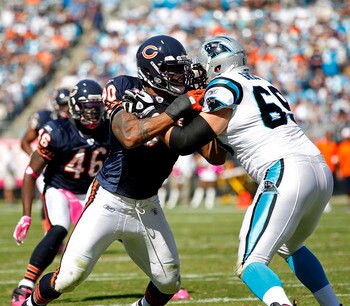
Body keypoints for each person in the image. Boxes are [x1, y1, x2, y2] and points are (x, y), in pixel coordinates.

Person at [22, 35, 226, 306]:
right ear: (152, 71)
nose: (182, 76)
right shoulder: (124, 87)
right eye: (173, 70)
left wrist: (208, 112)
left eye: (182, 69)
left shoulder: (184, 100)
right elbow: (129, 135)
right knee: (68, 278)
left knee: (169, 283)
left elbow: (215, 156)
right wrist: (176, 109)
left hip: (148, 204)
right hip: (109, 199)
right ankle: (29, 303)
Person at [159, 36, 342, 306]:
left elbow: (185, 142)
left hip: (285, 171)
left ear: (218, 66)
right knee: (289, 245)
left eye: (203, 65)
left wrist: (162, 117)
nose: (198, 72)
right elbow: (218, 154)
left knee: (250, 263)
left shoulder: (223, 86)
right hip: (318, 170)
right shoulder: (263, 83)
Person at [11, 79, 110, 306]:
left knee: (127, 229)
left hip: (93, 189)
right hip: (60, 187)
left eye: (97, 109)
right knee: (58, 230)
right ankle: (26, 284)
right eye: (88, 109)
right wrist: (25, 214)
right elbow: (30, 172)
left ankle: (164, 282)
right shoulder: (56, 130)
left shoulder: (110, 128)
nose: (93, 115)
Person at [20, 88, 70, 232]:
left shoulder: (76, 120)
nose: (66, 108)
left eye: (68, 104)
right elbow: (25, 142)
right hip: (47, 166)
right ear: (56, 104)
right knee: (48, 198)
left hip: (68, 166)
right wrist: (37, 158)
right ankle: (50, 232)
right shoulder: (43, 117)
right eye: (63, 104)